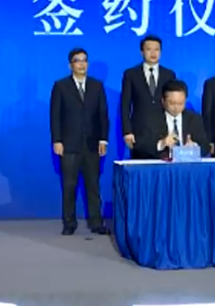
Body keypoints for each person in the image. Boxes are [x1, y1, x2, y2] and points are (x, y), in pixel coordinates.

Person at [49, 48, 110, 236]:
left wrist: (103, 139)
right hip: (69, 145)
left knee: (93, 185)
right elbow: (55, 116)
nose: (82, 64)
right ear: (70, 65)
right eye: (77, 60)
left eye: (84, 60)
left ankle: (96, 222)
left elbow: (103, 115)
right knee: (69, 186)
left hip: (92, 145)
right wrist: (57, 140)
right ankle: (69, 223)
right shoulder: (61, 86)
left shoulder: (97, 86)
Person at [120, 35, 176, 157]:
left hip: (163, 132)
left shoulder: (169, 75)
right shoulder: (131, 74)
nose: (153, 53)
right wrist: (127, 131)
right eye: (149, 49)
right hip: (139, 132)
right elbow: (125, 105)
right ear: (142, 52)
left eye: (157, 49)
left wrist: (173, 130)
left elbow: (172, 104)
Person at [133, 80, 211, 159]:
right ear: (163, 101)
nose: (176, 107)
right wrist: (161, 144)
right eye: (172, 103)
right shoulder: (150, 119)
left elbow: (206, 146)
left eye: (180, 103)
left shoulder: (194, 119)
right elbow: (139, 148)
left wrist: (194, 147)